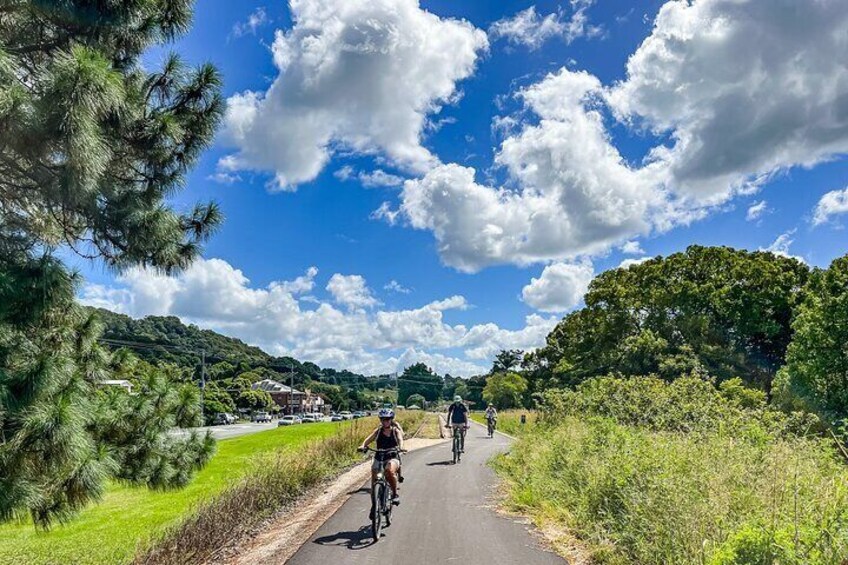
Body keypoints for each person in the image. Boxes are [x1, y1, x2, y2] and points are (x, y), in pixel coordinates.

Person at [359, 408, 404, 517]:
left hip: (392, 457)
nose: (385, 421)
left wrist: (401, 447)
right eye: (383, 419)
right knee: (374, 481)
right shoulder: (378, 431)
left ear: (391, 420)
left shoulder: (395, 430)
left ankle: (394, 494)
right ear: (381, 420)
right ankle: (374, 506)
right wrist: (363, 445)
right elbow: (369, 439)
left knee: (389, 471)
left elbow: (400, 439)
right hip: (379, 457)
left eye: (388, 419)